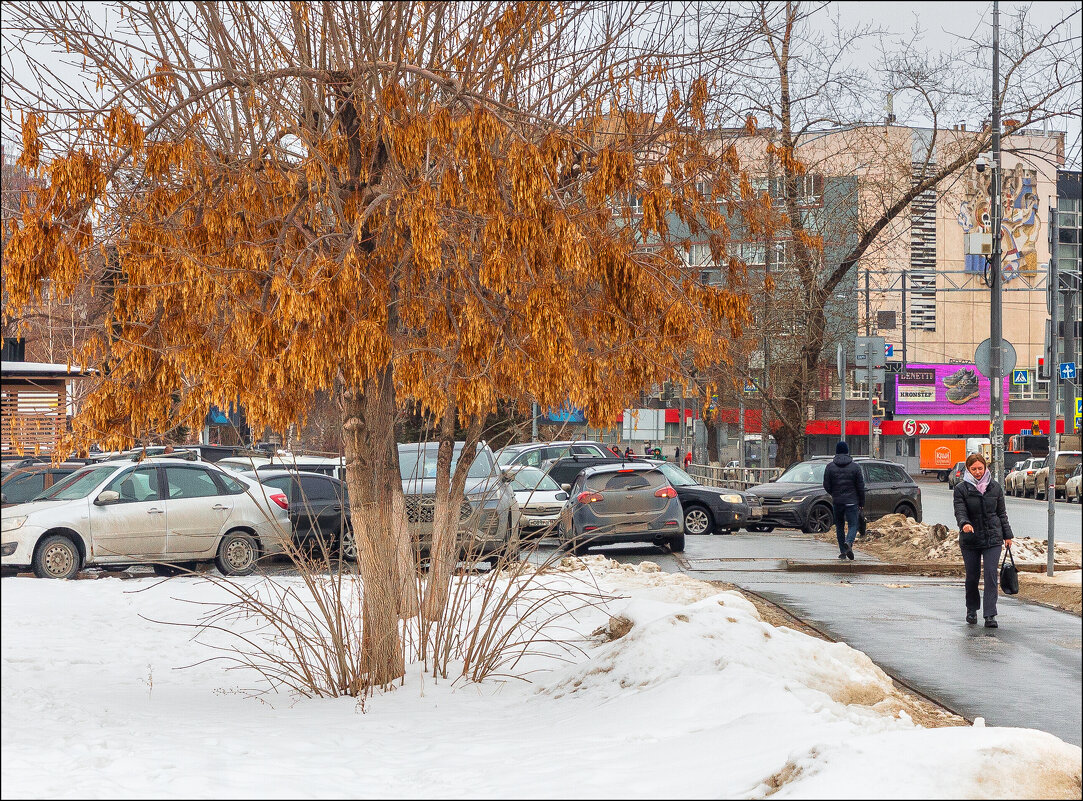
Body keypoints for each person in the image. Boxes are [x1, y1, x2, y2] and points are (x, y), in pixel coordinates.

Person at [953, 453, 1013, 628]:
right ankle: (971, 610)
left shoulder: (995, 488)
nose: (978, 472)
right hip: (970, 539)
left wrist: (1007, 535)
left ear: (985, 468)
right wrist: (964, 524)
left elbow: (1001, 513)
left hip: (992, 538)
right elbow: (960, 511)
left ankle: (990, 615)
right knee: (972, 576)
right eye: (974, 469)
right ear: (968, 470)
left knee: (990, 574)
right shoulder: (961, 489)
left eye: (980, 468)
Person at [822, 441, 865, 560]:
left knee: (839, 526)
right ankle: (849, 542)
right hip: (852, 501)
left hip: (837, 501)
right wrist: (861, 502)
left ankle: (842, 551)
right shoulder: (855, 467)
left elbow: (826, 484)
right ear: (847, 451)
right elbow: (860, 486)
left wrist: (834, 493)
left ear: (836, 451)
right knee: (853, 524)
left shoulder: (830, 466)